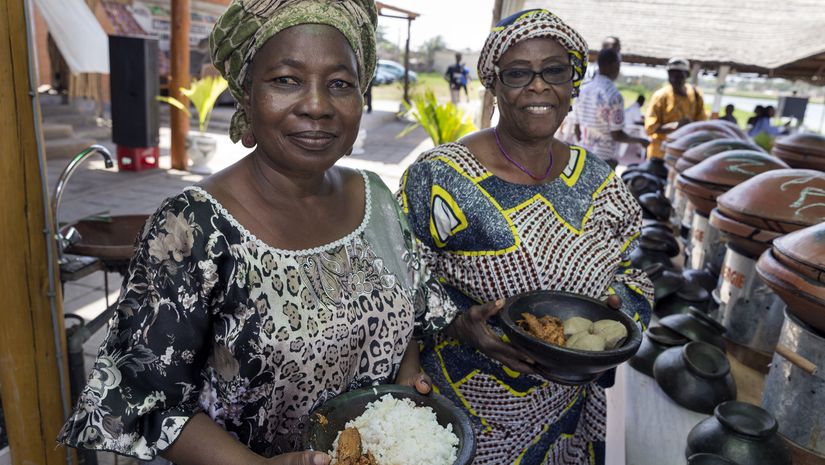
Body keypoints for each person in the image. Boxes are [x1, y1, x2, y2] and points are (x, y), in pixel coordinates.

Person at [57, 1, 459, 464]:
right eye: (286, 80)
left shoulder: (375, 198)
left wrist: (407, 382)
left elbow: (409, 313)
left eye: (340, 84)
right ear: (246, 95)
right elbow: (144, 403)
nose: (316, 105)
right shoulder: (191, 227)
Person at [399, 9, 653, 465]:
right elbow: (399, 283)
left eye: (553, 70)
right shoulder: (439, 177)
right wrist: (459, 324)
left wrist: (618, 313)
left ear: (573, 83)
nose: (538, 86)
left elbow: (634, 274)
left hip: (566, 414)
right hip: (464, 410)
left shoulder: (600, 182)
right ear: (494, 86)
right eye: (518, 73)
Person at [574, 48, 648, 167]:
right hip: (604, 160)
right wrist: (640, 140)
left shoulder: (583, 90)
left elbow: (577, 130)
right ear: (613, 65)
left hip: (583, 155)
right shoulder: (613, 95)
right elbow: (616, 135)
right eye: (619, 65)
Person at [644, 57, 706, 159]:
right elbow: (650, 128)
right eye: (671, 74)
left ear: (686, 75)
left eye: (679, 75)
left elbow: (702, 123)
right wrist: (676, 126)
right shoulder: (660, 96)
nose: (674, 78)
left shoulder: (696, 95)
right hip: (660, 154)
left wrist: (689, 126)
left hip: (685, 153)